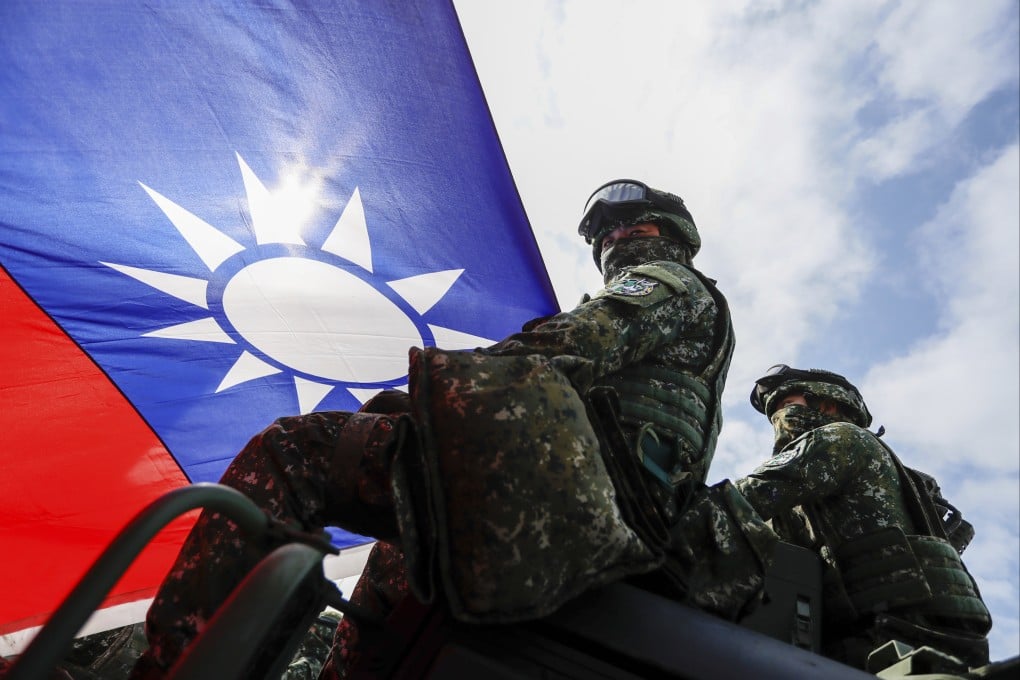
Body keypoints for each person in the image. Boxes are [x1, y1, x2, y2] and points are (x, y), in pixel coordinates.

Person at [129, 179, 738, 679]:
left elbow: (569, 343)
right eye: (608, 232)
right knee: (404, 558)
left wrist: (432, 398)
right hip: (598, 509)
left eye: (636, 225)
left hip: (581, 496)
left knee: (296, 451)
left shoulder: (670, 285)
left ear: (675, 236)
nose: (618, 238)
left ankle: (171, 668)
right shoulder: (697, 318)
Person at [734, 365, 992, 671]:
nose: (780, 418)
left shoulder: (842, 439)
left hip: (887, 633)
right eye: (774, 412)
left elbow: (747, 498)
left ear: (827, 404)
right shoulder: (829, 479)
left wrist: (679, 506)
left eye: (787, 406)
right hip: (886, 634)